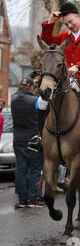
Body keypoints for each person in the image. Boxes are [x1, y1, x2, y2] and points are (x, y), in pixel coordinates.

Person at [29, 2, 80, 160]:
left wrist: (78, 66)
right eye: (66, 23)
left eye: (71, 22)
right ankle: (40, 138)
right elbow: (47, 44)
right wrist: (50, 22)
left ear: (77, 17)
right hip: (66, 80)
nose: (69, 25)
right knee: (41, 102)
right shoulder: (64, 37)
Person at [11, 78, 44, 209]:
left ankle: (22, 200)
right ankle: (33, 199)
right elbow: (43, 109)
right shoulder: (35, 101)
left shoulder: (13, 99)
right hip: (33, 140)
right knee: (35, 170)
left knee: (20, 170)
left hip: (17, 139)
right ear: (30, 87)